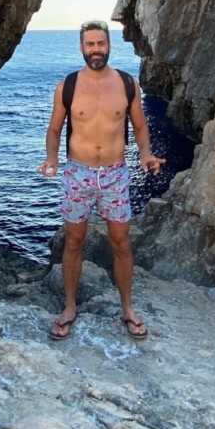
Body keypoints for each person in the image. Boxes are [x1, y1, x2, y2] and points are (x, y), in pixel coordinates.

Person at [37, 20, 165, 341]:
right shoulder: (67, 86)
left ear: (109, 46)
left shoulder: (127, 84)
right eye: (90, 44)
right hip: (77, 172)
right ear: (81, 47)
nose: (96, 50)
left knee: (121, 242)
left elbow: (139, 128)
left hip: (115, 174)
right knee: (73, 242)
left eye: (101, 44)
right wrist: (52, 158)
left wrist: (146, 153)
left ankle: (127, 309)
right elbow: (54, 129)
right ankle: (69, 307)